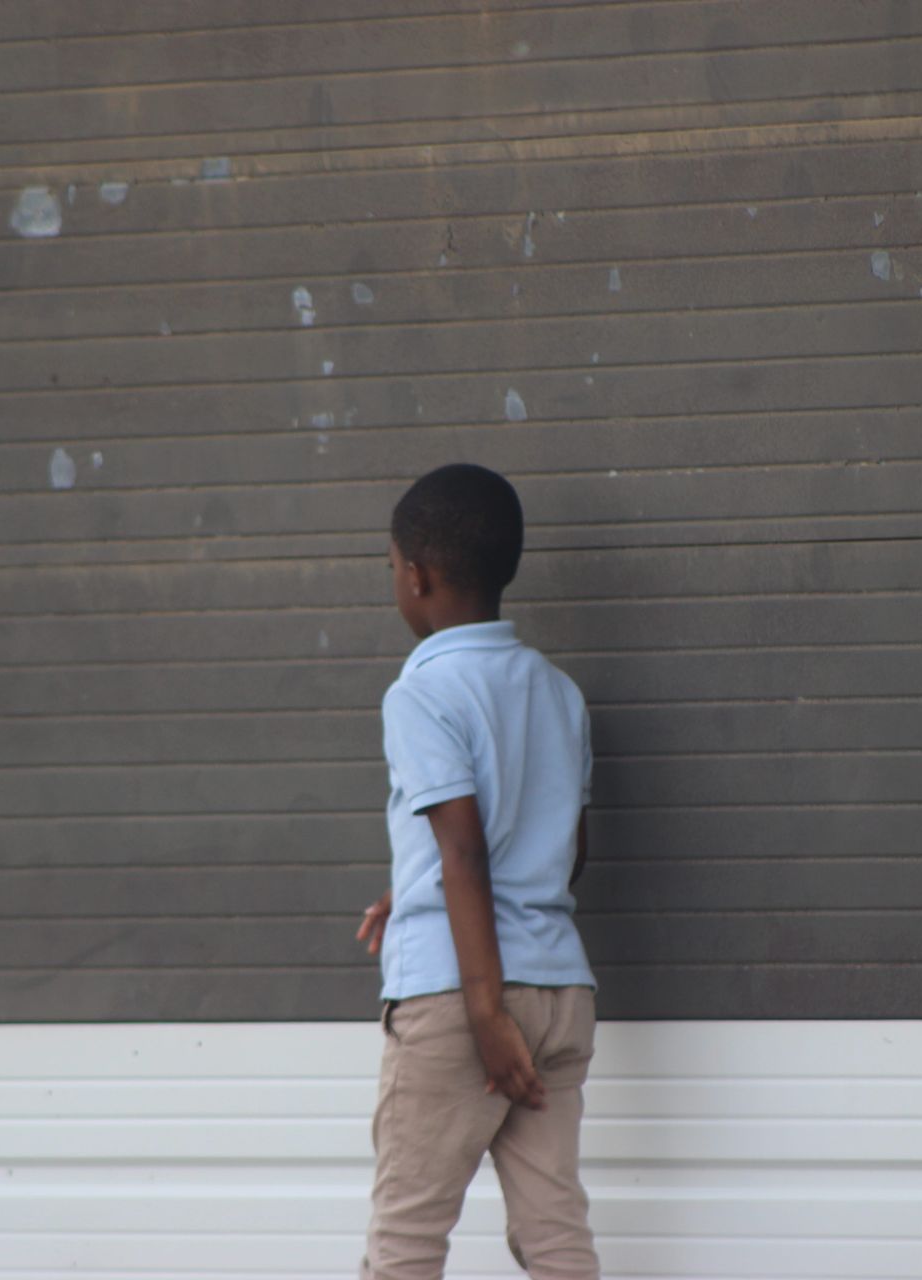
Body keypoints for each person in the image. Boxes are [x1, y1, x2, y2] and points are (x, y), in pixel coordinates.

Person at [355, 463, 600, 1279]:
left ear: (417, 576)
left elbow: (463, 849)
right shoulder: (558, 692)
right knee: (555, 1233)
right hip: (559, 994)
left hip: (459, 1001)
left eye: (393, 566)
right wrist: (413, 887)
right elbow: (565, 850)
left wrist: (486, 1011)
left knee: (406, 1239)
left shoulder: (420, 692)